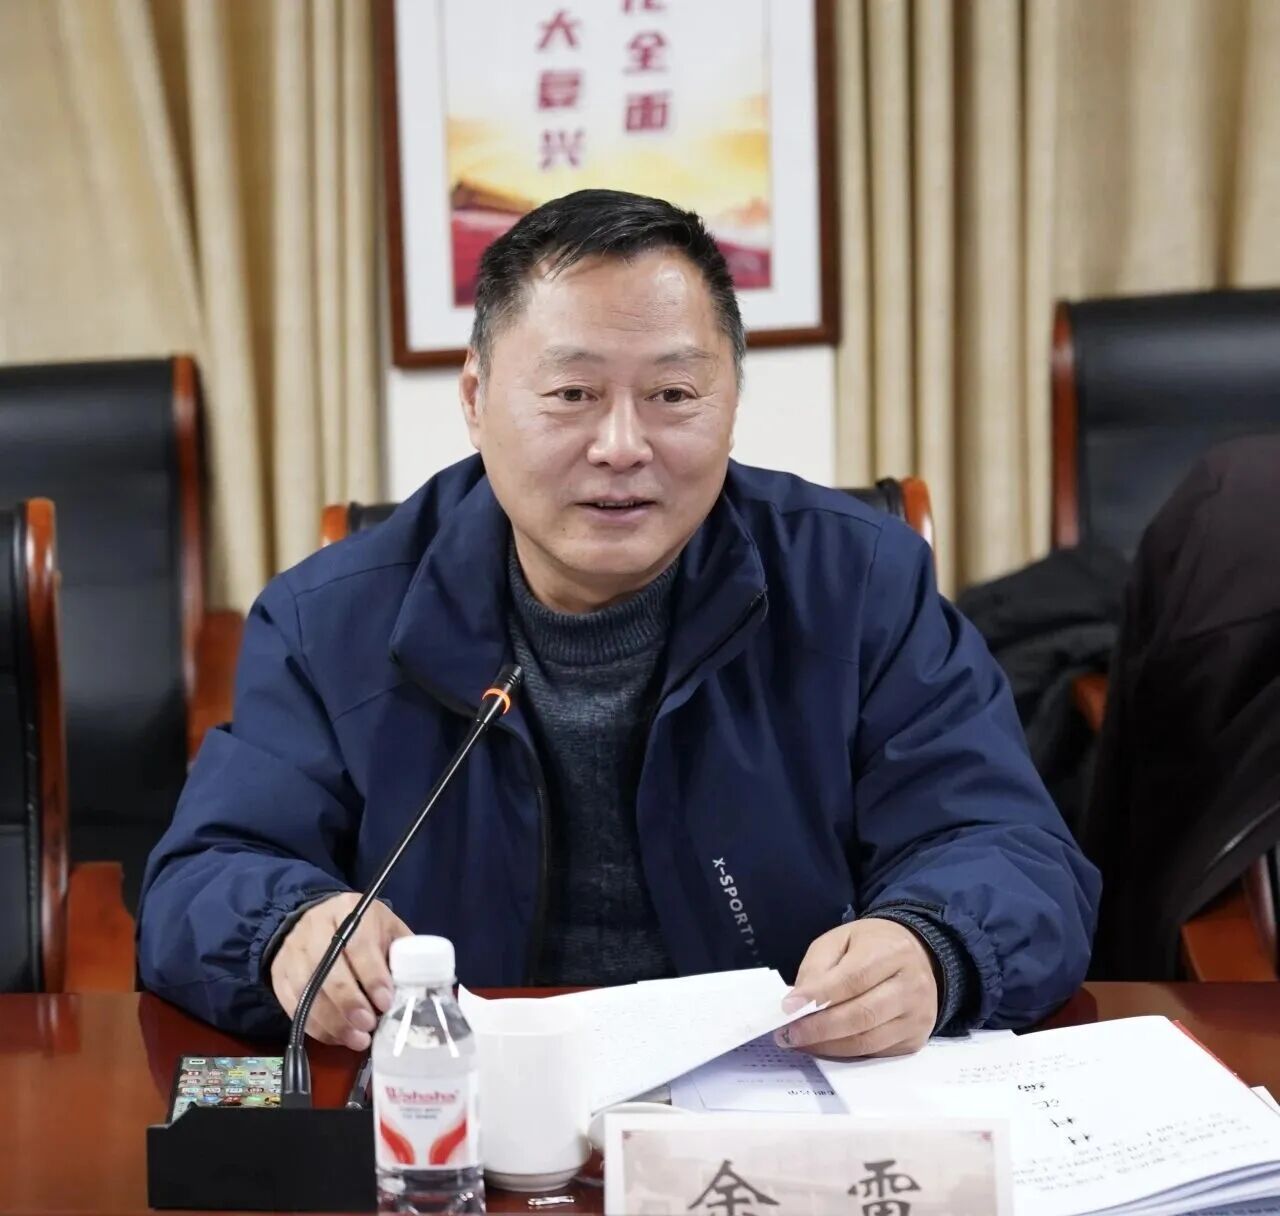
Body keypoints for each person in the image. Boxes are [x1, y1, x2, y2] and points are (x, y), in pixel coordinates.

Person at [137, 189, 1098, 1058]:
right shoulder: (330, 620)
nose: (622, 446)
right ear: (475, 400)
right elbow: (203, 875)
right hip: (461, 1113)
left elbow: (1011, 847)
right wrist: (285, 927)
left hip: (780, 1097)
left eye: (673, 395)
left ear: (729, 405)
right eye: (573, 395)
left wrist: (930, 945)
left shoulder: (860, 584)